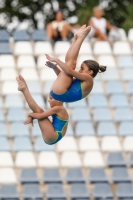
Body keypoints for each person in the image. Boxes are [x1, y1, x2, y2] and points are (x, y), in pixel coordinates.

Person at [45, 24, 106, 103]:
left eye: (82, 68)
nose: (79, 70)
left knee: (71, 65)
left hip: (62, 93)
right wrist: (54, 67)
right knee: (69, 65)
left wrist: (56, 60)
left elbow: (69, 71)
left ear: (90, 72)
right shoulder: (83, 79)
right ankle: (77, 38)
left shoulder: (88, 79)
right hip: (59, 94)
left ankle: (80, 38)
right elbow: (64, 77)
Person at [16, 75, 69, 145]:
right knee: (39, 111)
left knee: (39, 111)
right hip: (55, 135)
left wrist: (30, 114)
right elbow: (39, 115)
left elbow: (39, 116)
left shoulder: (58, 108)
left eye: (51, 99)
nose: (48, 101)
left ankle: (24, 89)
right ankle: (24, 88)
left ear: (59, 100)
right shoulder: (59, 109)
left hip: (54, 135)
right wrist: (32, 116)